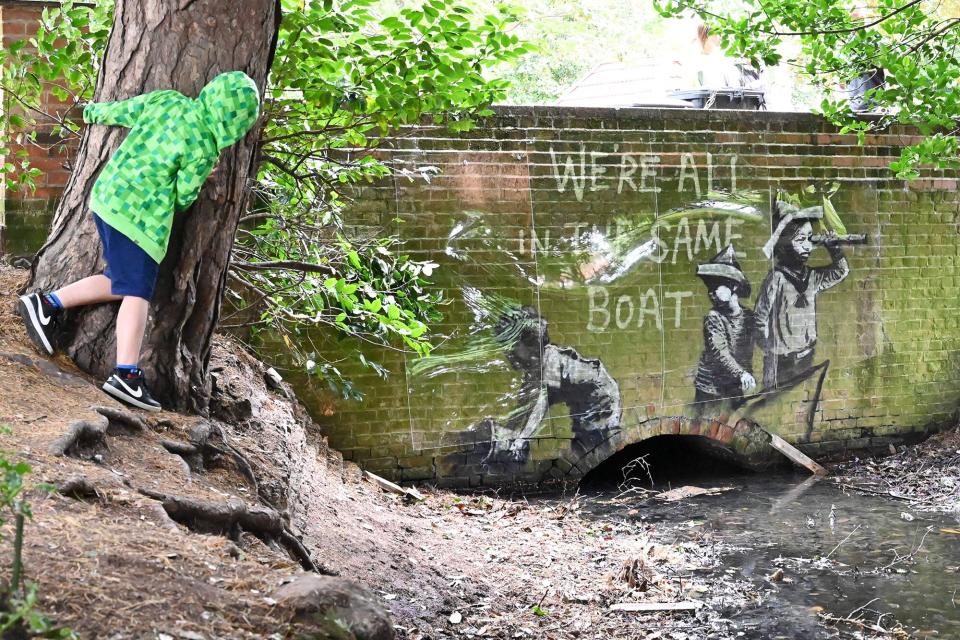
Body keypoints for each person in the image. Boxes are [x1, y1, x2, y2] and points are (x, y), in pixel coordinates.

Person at [17, 71, 261, 412]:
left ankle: (47, 304)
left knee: (121, 281)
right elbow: (183, 199)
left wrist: (93, 112)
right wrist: (203, 176)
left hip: (107, 199)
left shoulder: (169, 101)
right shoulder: (204, 147)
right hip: (140, 221)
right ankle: (126, 374)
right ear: (234, 124)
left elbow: (127, 110)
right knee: (138, 293)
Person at [486, 306, 621, 462]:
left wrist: (519, 440)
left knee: (590, 443)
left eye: (511, 346)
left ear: (528, 341)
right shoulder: (535, 369)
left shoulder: (550, 360)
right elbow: (524, 405)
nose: (508, 353)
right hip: (588, 399)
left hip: (600, 397)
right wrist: (508, 429)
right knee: (585, 444)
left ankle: (608, 473)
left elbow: (539, 406)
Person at [755, 200, 850, 388]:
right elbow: (759, 318)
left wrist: (834, 249)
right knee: (776, 400)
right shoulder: (777, 278)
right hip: (781, 362)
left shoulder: (812, 277)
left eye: (809, 238)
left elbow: (841, 271)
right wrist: (771, 349)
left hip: (807, 355)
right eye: (800, 240)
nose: (807, 246)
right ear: (784, 244)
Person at [692, 245, 757, 414]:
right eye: (709, 289)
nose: (711, 293)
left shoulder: (749, 317)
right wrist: (742, 373)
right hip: (711, 388)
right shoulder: (714, 317)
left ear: (733, 286)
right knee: (709, 428)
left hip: (734, 384)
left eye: (716, 287)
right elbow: (720, 352)